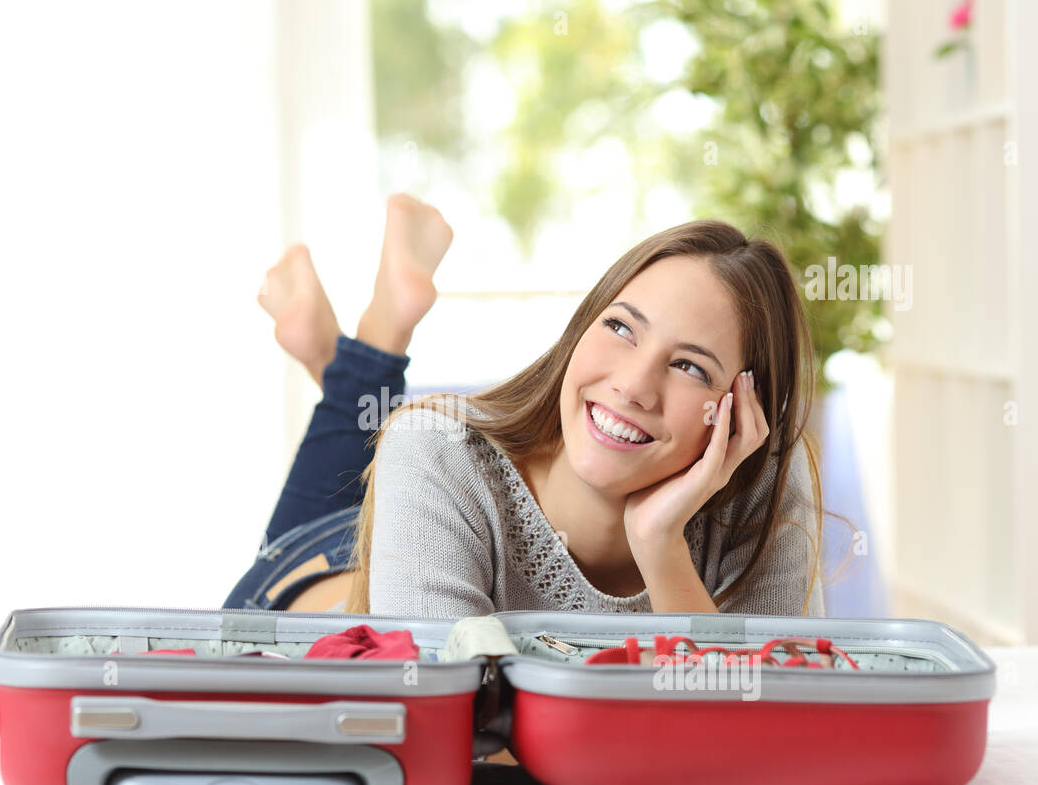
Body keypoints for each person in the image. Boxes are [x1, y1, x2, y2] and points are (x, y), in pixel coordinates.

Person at [223, 193, 837, 618]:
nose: (633, 385)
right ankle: (371, 337)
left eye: (689, 367)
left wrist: (660, 542)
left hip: (436, 517)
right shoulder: (436, 448)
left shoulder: (768, 492)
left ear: (743, 409)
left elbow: (758, 728)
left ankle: (343, 354)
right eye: (622, 328)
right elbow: (442, 719)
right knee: (404, 447)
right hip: (311, 584)